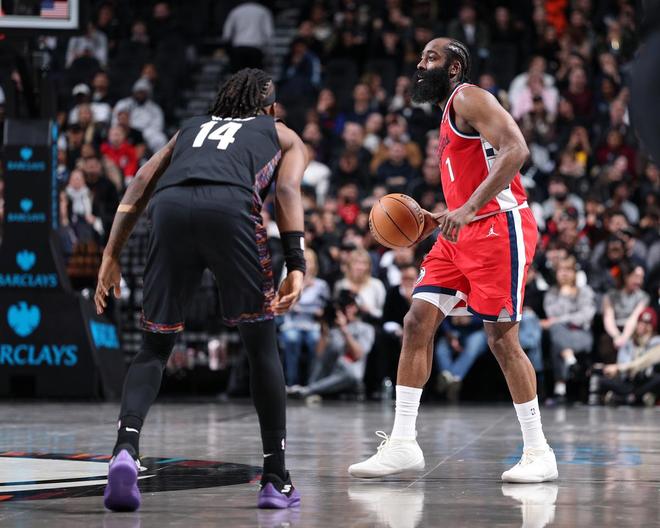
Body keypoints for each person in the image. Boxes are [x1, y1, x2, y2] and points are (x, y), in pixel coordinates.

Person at [94, 69, 307, 511]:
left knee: (154, 347)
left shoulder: (191, 128)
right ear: (270, 108)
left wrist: (111, 254)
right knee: (261, 347)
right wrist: (297, 265)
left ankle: (125, 449)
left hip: (169, 208)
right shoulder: (283, 134)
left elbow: (141, 181)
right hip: (230, 208)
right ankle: (275, 478)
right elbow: (287, 191)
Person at [349, 38, 557, 483]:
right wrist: (439, 218)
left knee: (502, 340)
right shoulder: (446, 116)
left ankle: (539, 451)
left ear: (454, 67)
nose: (420, 64)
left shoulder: (468, 97)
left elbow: (516, 149)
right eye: (420, 57)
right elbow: (469, 185)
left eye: (431, 58)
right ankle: (403, 444)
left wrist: (469, 208)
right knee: (416, 322)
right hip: (459, 234)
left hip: (500, 228)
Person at [288, 289, 375, 399]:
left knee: (351, 372)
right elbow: (319, 355)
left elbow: (358, 354)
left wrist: (344, 330)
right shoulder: (333, 329)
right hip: (330, 371)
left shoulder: (366, 329)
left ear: (357, 308)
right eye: (345, 306)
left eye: (351, 306)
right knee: (318, 360)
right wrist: (324, 329)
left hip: (349, 373)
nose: (348, 310)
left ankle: (308, 390)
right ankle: (311, 389)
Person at [541, 255, 596, 402]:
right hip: (560, 333)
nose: (564, 273)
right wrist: (563, 296)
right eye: (561, 270)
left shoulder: (585, 291)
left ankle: (560, 387)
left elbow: (585, 316)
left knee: (556, 334)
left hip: (581, 333)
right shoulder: (552, 293)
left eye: (568, 270)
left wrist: (559, 320)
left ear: (575, 273)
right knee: (557, 333)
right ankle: (570, 360)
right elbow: (551, 313)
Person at [279, 248, 330, 387]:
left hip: (312, 325)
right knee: (292, 339)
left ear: (315, 264)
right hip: (292, 324)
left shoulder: (321, 285)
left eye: (310, 262)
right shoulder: (290, 283)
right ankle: (292, 383)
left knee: (315, 340)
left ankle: (312, 383)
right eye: (304, 261)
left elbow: (324, 310)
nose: (307, 265)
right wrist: (303, 287)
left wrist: (309, 310)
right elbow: (286, 307)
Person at [594, 307, 660, 405]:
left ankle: (627, 398)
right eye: (640, 322)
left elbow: (644, 362)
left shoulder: (657, 342)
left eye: (647, 324)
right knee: (600, 379)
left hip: (647, 379)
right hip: (629, 380)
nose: (642, 326)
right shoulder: (629, 343)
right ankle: (638, 398)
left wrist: (620, 368)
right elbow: (623, 363)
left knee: (657, 379)